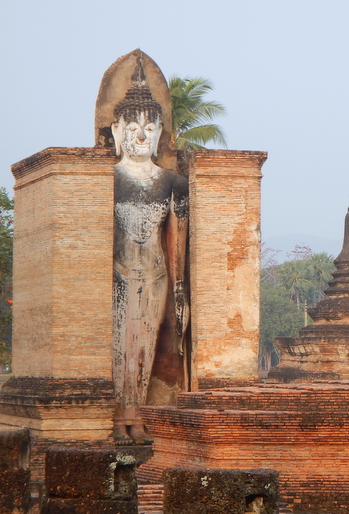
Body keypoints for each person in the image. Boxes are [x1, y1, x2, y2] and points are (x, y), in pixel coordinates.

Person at [111, 59, 189, 445]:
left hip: (156, 274)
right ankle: (117, 414)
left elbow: (177, 240)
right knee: (118, 345)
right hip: (118, 275)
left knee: (144, 345)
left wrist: (179, 289)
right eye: (133, 127)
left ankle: (136, 414)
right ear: (117, 130)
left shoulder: (173, 183)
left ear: (160, 132)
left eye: (149, 128)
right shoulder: (107, 179)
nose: (141, 136)